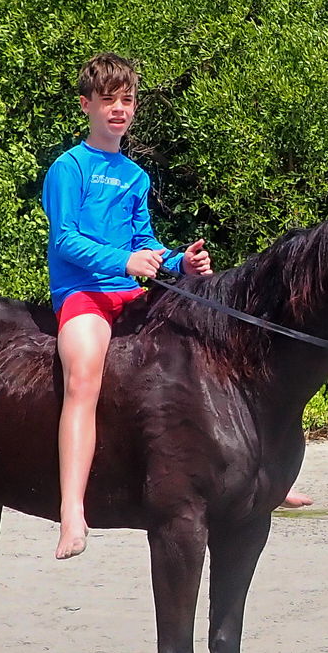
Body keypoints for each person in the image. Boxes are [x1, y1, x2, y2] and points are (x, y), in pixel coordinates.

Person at [44, 54, 211, 559]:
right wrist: (125, 260)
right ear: (86, 105)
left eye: (128, 100)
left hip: (131, 293)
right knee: (84, 377)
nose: (119, 109)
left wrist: (180, 262)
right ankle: (72, 510)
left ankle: (253, 474)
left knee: (202, 348)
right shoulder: (68, 168)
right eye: (109, 100)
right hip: (82, 295)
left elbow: (147, 244)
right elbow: (64, 240)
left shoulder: (136, 176)